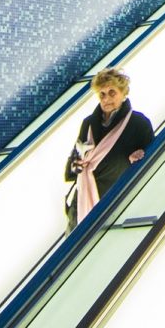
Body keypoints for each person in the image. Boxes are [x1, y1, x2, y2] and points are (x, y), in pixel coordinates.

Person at [64, 68, 154, 229]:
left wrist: (139, 157)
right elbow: (74, 159)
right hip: (82, 201)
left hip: (114, 200)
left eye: (112, 92)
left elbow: (151, 161)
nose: (106, 99)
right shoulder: (89, 123)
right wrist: (76, 165)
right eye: (102, 94)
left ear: (123, 93)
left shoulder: (138, 123)